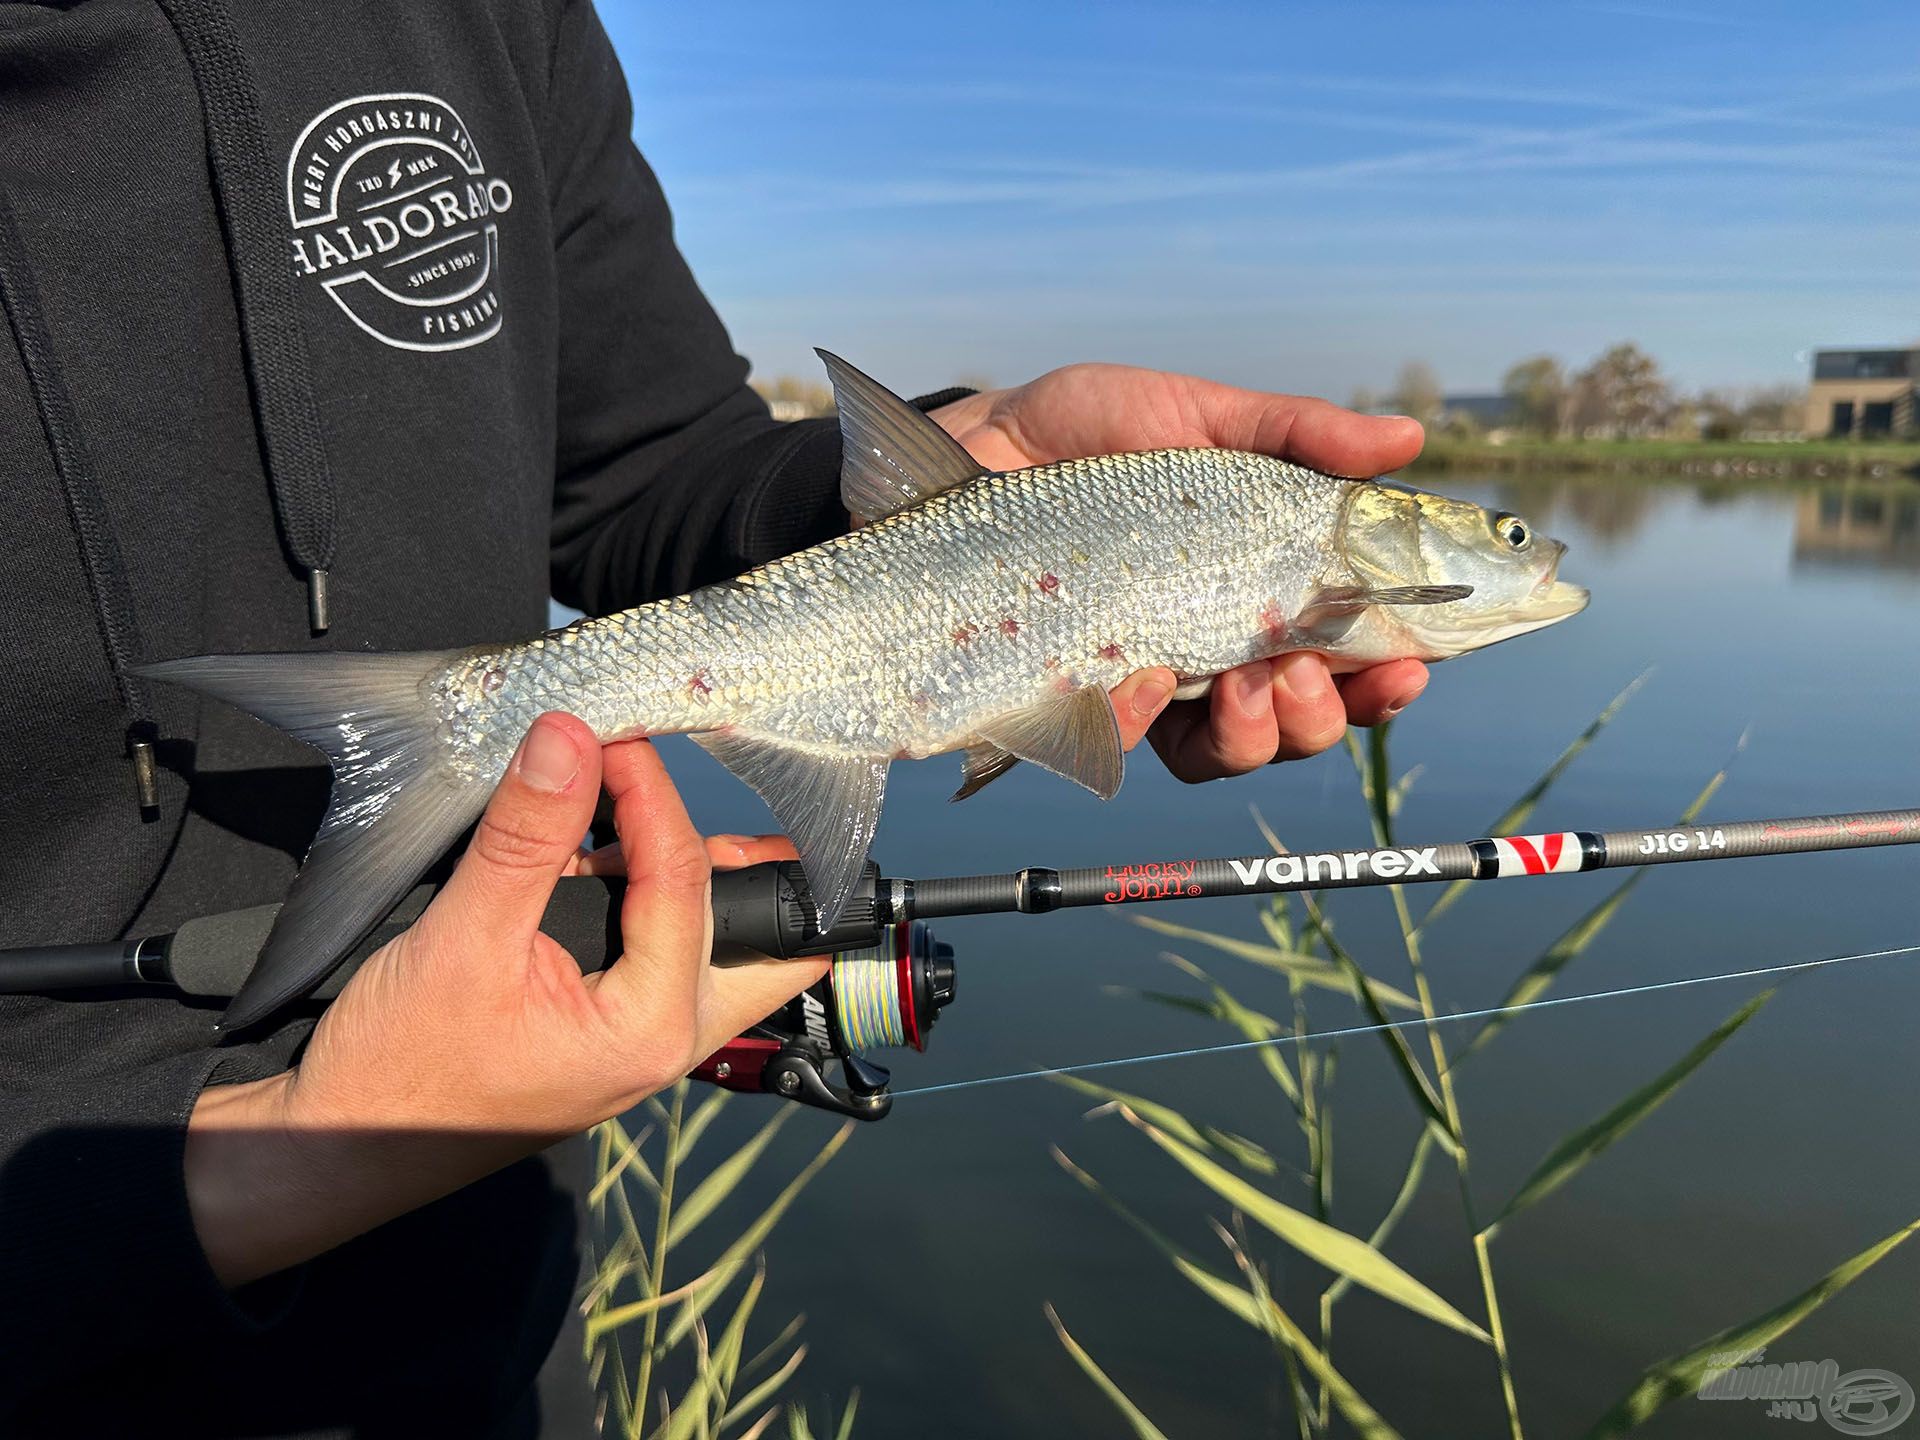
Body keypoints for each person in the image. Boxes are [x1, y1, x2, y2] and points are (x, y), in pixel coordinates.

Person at [0, 0, 1429, 1433]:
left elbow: (644, 471)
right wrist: (278, 1162)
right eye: (1489, 532)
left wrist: (947, 511)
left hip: (487, 1307)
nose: (1517, 550)